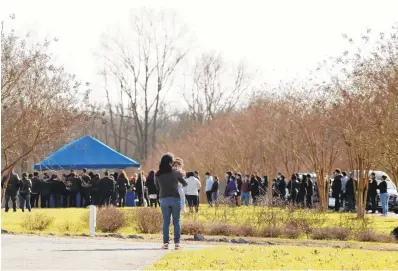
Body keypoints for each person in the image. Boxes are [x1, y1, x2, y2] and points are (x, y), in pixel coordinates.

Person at [155, 153, 187, 250]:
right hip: (175, 198)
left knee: (166, 221)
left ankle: (165, 243)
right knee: (176, 221)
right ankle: (177, 243)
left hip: (163, 199)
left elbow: (157, 187)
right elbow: (184, 183)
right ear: (170, 163)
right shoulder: (176, 173)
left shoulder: (157, 174)